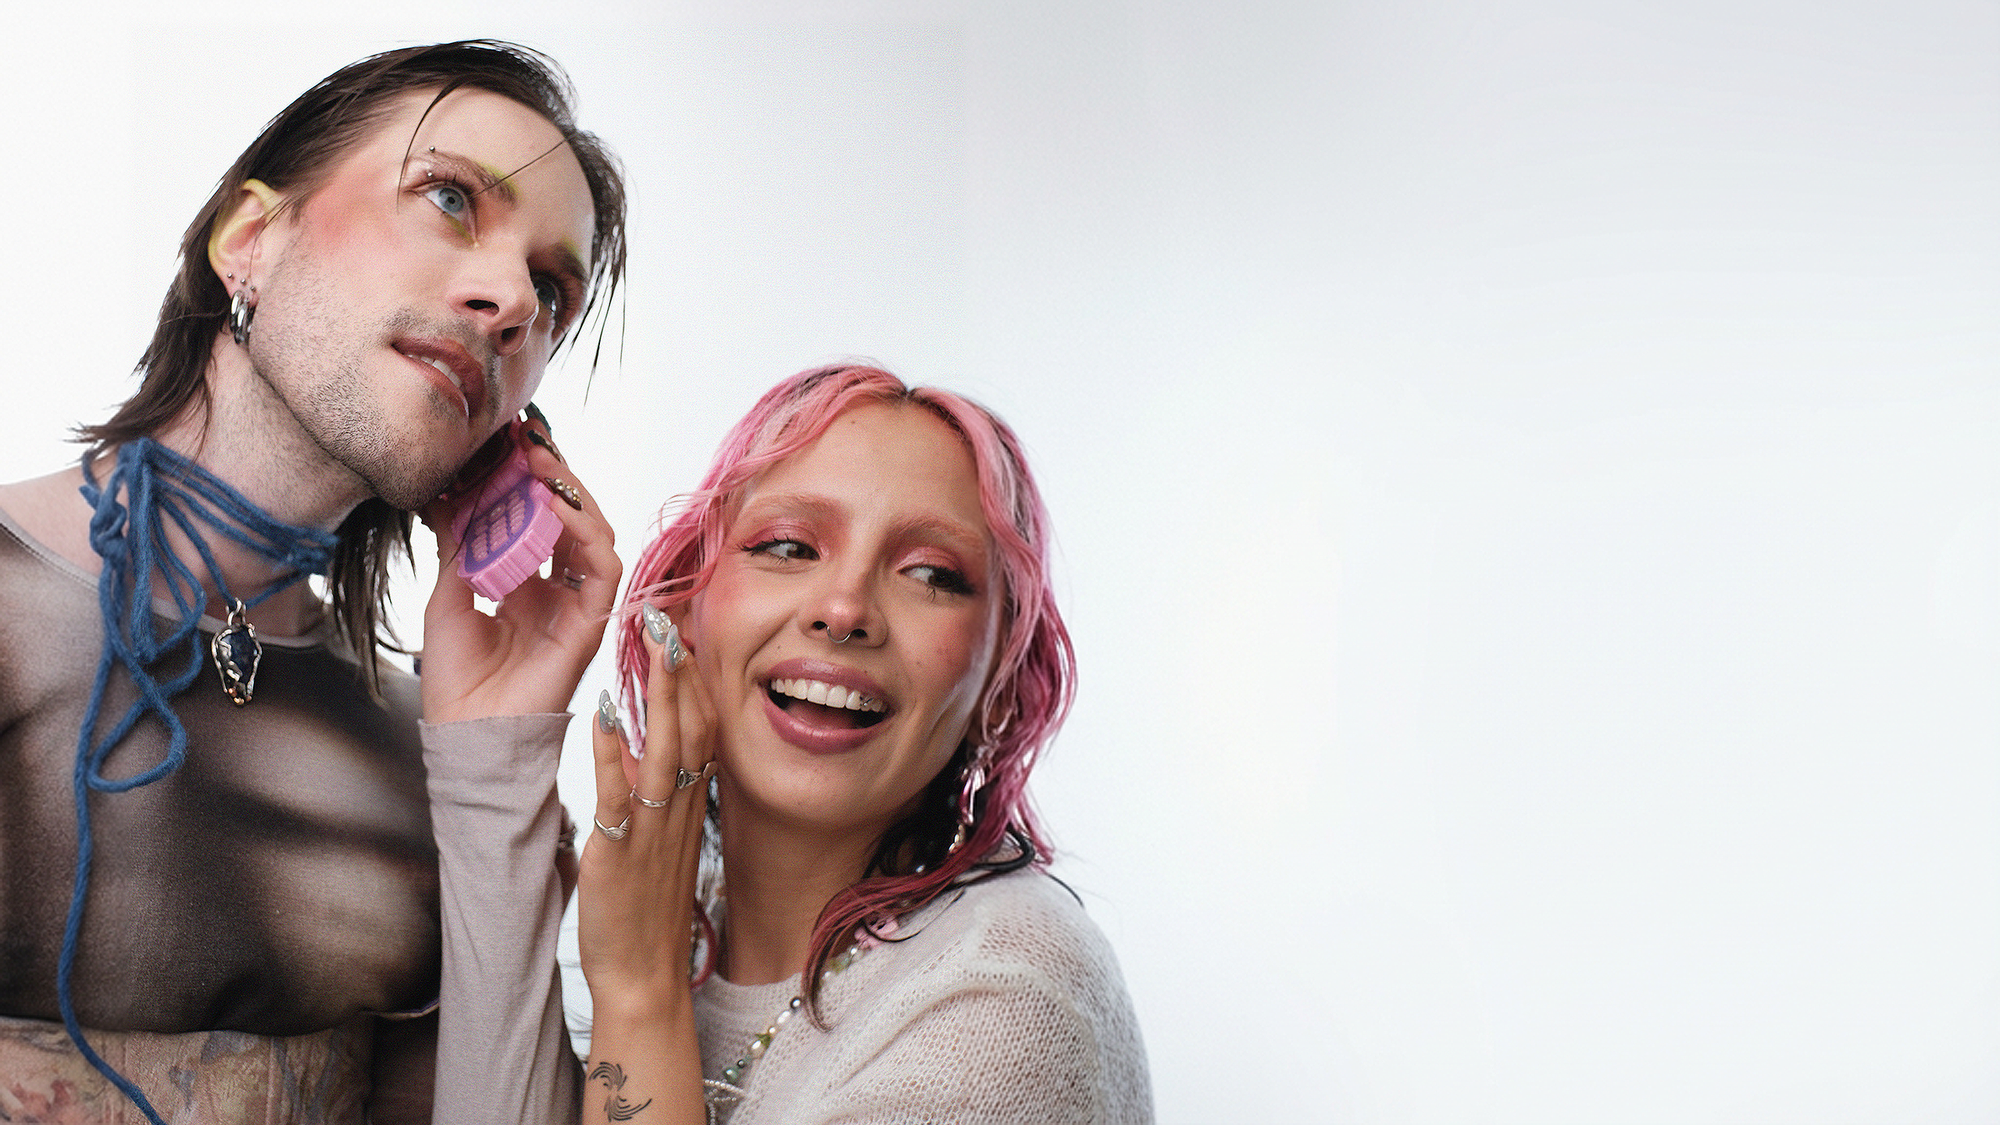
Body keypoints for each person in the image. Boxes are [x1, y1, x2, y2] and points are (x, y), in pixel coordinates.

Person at [0, 41, 625, 1123]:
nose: (512, 302)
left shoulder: (433, 745)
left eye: (552, 289)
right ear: (248, 239)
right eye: (448, 198)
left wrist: (496, 763)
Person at [444, 364, 1152, 1123]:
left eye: (931, 574)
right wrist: (492, 758)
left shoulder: (1008, 990)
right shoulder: (655, 924)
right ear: (685, 611)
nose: (844, 609)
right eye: (788, 547)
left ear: (1000, 685)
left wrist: (642, 995)